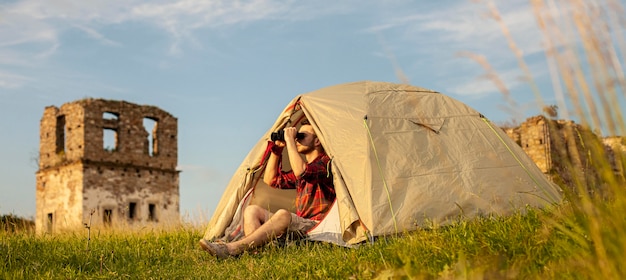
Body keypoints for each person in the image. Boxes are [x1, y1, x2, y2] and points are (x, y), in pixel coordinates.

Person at [199, 120, 335, 258]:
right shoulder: (304, 167)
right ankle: (255, 253)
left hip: (319, 226)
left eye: (302, 136)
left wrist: (290, 141)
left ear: (317, 141)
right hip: (302, 223)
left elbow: (302, 171)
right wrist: (277, 150)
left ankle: (232, 249)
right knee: (252, 210)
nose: (297, 138)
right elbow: (271, 179)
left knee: (283, 214)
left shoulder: (326, 163)